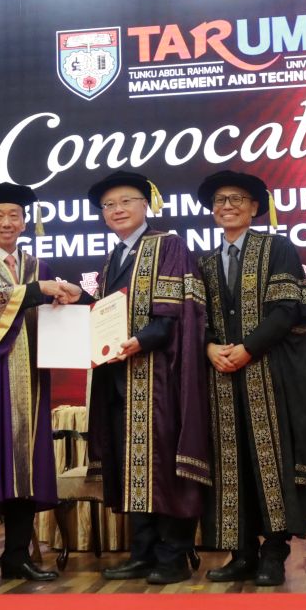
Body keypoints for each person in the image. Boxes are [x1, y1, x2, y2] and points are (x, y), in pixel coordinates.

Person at [80, 170, 210, 585]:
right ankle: (143, 551)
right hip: (119, 380)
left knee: (164, 467)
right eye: (109, 205)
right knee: (131, 464)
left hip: (158, 378)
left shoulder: (166, 245)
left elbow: (175, 314)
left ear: (146, 205)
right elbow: (108, 315)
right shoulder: (114, 257)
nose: (117, 210)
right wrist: (75, 300)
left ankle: (173, 555)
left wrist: (141, 340)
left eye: (126, 202)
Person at [194, 170, 306, 587]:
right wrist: (211, 347)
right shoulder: (206, 263)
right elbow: (199, 320)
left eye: (237, 199)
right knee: (232, 464)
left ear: (254, 207)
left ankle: (273, 552)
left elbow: (287, 310)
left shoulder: (277, 248)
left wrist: (248, 348)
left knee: (271, 462)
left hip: (269, 375)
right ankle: (241, 551)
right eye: (220, 200)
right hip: (223, 380)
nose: (227, 206)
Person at [0, 183, 78, 588]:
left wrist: (64, 299)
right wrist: (36, 293)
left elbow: (42, 311)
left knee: (24, 467)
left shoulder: (37, 266)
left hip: (31, 383)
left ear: (25, 222)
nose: (8, 222)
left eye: (15, 216)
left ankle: (17, 557)